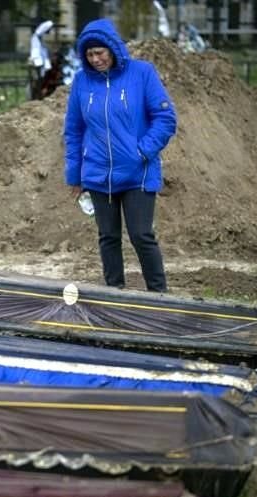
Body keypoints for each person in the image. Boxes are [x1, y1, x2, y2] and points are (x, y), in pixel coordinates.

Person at [63, 18, 177, 293]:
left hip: (138, 172)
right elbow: (74, 130)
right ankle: (114, 292)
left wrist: (142, 150)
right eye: (89, 55)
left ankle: (159, 294)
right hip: (98, 173)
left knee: (141, 235)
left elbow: (165, 118)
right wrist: (75, 175)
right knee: (108, 237)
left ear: (113, 49)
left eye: (100, 52)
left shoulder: (142, 73)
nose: (95, 59)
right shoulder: (81, 82)